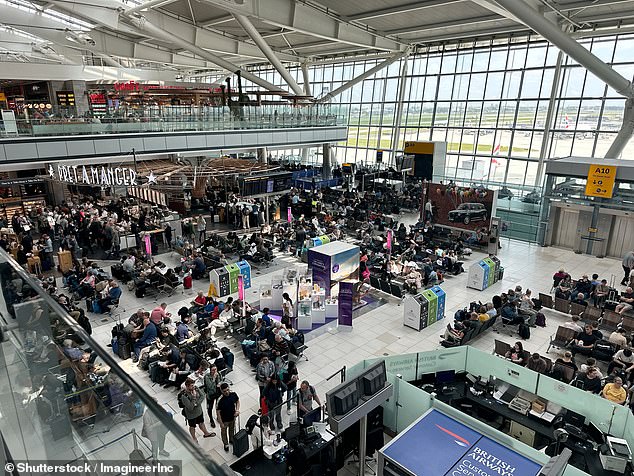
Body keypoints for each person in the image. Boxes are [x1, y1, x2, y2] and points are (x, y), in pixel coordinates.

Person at [181, 377, 215, 443]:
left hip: (199, 411)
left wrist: (196, 403)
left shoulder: (196, 388)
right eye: (191, 385)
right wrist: (194, 397)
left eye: (193, 384)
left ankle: (206, 433)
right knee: (192, 426)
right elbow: (190, 407)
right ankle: (194, 438)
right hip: (191, 415)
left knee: (201, 422)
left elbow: (202, 395)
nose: (193, 386)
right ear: (187, 386)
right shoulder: (184, 396)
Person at [216, 383, 240, 452]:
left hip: (232, 417)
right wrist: (221, 423)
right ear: (221, 391)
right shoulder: (220, 400)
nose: (226, 392)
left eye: (227, 390)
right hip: (224, 420)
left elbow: (237, 401)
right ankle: (226, 444)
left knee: (232, 429)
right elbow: (218, 412)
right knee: (224, 432)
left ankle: (231, 439)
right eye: (224, 391)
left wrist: (237, 410)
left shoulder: (233, 394)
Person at [203, 364, 221, 429]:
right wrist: (213, 378)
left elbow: (221, 381)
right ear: (210, 370)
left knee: (218, 406)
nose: (214, 371)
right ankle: (211, 419)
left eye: (215, 369)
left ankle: (218, 417)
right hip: (210, 394)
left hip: (218, 393)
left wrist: (219, 381)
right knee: (210, 408)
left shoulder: (218, 374)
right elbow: (210, 387)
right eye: (213, 370)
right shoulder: (207, 377)